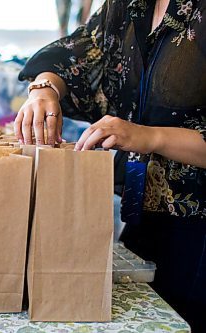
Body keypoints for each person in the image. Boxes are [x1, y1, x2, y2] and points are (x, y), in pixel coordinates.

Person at [15, 0, 206, 330]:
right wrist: (43, 89)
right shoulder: (127, 5)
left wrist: (148, 137)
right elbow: (76, 53)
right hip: (143, 216)